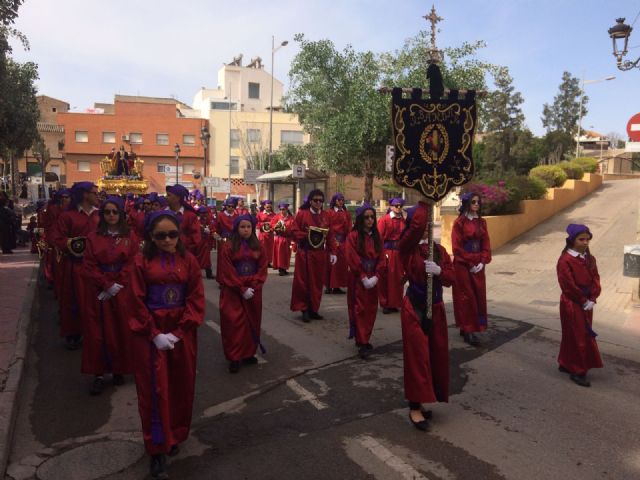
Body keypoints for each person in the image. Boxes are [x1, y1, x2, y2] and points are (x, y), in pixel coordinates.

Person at [127, 210, 204, 479]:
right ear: (151, 236)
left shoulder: (189, 261)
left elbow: (195, 298)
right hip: (150, 335)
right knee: (154, 390)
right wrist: (154, 334)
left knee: (180, 385)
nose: (168, 240)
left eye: (173, 234)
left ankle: (175, 434)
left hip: (181, 334)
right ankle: (157, 447)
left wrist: (180, 331)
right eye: (161, 235)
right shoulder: (140, 263)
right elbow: (135, 302)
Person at [398, 201, 454, 431]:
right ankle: (414, 406)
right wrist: (427, 199)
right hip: (415, 307)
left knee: (435, 355)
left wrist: (440, 272)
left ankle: (427, 398)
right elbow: (417, 222)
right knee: (417, 357)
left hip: (437, 306)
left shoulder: (439, 251)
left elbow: (452, 278)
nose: (424, 228)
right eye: (419, 225)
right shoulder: (407, 248)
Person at [81, 197, 138, 395]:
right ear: (102, 214)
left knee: (121, 329)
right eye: (107, 212)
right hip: (98, 291)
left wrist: (118, 283)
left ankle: (118, 368)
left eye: (115, 212)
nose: (111, 215)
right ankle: (98, 374)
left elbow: (133, 262)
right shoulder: (93, 237)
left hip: (121, 289)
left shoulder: (130, 236)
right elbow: (88, 264)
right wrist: (105, 285)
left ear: (121, 214)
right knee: (97, 331)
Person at [49, 182, 100, 349]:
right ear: (85, 195)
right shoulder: (68, 216)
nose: (97, 196)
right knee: (74, 300)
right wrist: (77, 246)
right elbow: (57, 238)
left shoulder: (100, 215)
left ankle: (97, 333)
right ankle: (74, 334)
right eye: (94, 192)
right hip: (75, 266)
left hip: (98, 267)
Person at [218, 214, 268, 373]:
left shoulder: (259, 246)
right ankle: (234, 356)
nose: (245, 230)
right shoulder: (228, 247)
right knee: (233, 324)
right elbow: (227, 270)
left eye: (248, 227)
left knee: (251, 321)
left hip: (253, 290)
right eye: (242, 227)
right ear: (236, 228)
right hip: (233, 291)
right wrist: (241, 288)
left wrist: (254, 285)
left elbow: (262, 267)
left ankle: (248, 353)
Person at [556, 224, 603, 387]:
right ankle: (577, 370)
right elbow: (567, 285)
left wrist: (593, 297)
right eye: (581, 239)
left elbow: (596, 278)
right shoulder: (565, 260)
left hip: (586, 302)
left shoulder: (589, 259)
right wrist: (583, 300)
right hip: (572, 302)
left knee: (578, 334)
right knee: (577, 335)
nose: (585, 242)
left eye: (587, 239)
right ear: (572, 240)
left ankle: (565, 362)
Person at [345, 203, 386, 359]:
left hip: (373, 277)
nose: (370, 220)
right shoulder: (353, 236)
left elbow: (382, 258)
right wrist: (363, 276)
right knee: (360, 309)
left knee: (371, 309)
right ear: (361, 219)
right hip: (358, 279)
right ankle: (361, 342)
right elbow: (352, 257)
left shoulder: (377, 236)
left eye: (372, 217)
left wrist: (377, 276)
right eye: (367, 217)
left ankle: (365, 338)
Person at [289, 189, 337, 322]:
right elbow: (293, 230)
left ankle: (314, 309)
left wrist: (333, 252)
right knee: (303, 282)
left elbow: (331, 235)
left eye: (321, 201)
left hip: (319, 254)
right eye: (315, 200)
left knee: (317, 282)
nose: (318, 203)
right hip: (305, 253)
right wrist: (307, 235)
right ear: (310, 201)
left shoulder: (326, 216)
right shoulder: (302, 214)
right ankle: (304, 309)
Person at [451, 192, 491, 346]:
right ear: (467, 203)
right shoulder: (459, 223)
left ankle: (473, 325)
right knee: (466, 297)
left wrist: (483, 261)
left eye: (478, 202)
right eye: (474, 202)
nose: (477, 204)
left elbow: (486, 243)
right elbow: (457, 247)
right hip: (463, 264)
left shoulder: (482, 222)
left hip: (478, 263)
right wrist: (470, 263)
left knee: (478, 295)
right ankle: (468, 329)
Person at [377, 198, 406, 314]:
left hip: (399, 253)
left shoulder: (403, 221)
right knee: (386, 278)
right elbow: (379, 238)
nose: (398, 208)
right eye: (396, 206)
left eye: (400, 206)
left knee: (398, 278)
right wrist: (381, 254)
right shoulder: (384, 220)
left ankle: (395, 303)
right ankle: (385, 303)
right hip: (387, 252)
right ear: (391, 206)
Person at [325, 193, 351, 295]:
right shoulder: (329, 213)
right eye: (339, 200)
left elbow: (349, 228)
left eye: (342, 200)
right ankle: (328, 286)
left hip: (343, 242)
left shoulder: (346, 213)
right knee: (330, 264)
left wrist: (349, 240)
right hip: (331, 241)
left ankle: (337, 286)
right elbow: (326, 226)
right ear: (334, 201)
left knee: (341, 265)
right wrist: (329, 239)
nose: (341, 202)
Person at [166, 184, 202, 259]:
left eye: (169, 195)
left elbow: (196, 239)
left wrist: (180, 245)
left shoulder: (190, 216)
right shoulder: (161, 213)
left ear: (178, 198)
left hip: (183, 255)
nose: (166, 197)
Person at [270, 202, 295, 276]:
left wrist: (287, 229)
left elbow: (293, 227)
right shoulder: (277, 216)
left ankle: (284, 268)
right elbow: (271, 224)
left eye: (283, 209)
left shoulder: (291, 218)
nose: (282, 211)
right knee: (280, 254)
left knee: (286, 255)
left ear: (287, 209)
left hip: (287, 239)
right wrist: (276, 227)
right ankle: (281, 269)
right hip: (279, 238)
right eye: (280, 209)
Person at [195, 205, 215, 279]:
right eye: (202, 213)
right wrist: (202, 229)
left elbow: (212, 229)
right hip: (199, 242)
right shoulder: (197, 220)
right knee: (197, 258)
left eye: (205, 213)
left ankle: (208, 274)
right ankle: (196, 274)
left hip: (206, 242)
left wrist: (210, 231)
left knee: (207, 259)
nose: (203, 214)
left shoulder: (208, 220)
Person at [256, 199, 276, 267]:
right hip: (263, 234)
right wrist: (264, 224)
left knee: (270, 249)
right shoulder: (260, 214)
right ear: (264, 206)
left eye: (270, 207)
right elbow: (256, 223)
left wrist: (271, 226)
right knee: (262, 248)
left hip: (270, 234)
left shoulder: (274, 214)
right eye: (267, 207)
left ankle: (268, 262)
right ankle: (262, 262)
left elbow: (275, 223)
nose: (269, 208)